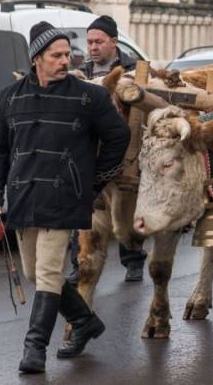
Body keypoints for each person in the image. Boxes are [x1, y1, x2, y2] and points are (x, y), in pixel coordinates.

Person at [0, 22, 129, 374]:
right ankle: (85, 321)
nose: (65, 61)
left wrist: (92, 181)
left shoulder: (89, 97)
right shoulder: (9, 97)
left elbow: (118, 137)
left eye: (68, 54)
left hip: (66, 197)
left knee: (49, 271)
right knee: (35, 272)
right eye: (56, 55)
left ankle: (34, 350)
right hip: (23, 196)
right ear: (37, 59)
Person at [75, 15, 146, 284]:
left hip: (126, 149)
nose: (93, 47)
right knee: (87, 207)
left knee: (125, 206)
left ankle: (133, 260)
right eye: (89, 42)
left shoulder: (134, 69)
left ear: (114, 42)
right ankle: (80, 260)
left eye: (99, 41)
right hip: (91, 148)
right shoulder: (82, 70)